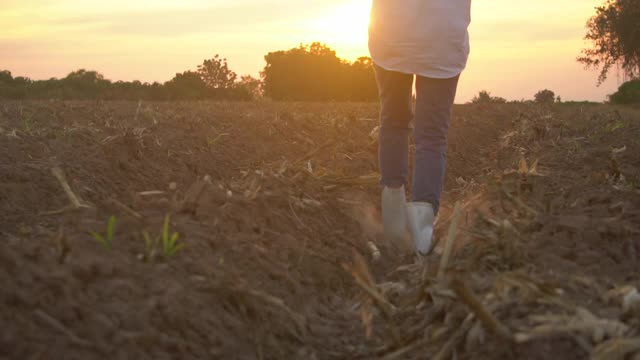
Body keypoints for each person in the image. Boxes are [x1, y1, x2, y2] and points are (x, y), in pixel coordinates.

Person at [368, 0, 471, 255]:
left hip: (392, 33)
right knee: (432, 137)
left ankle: (393, 225)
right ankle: (422, 237)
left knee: (393, 121)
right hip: (443, 38)